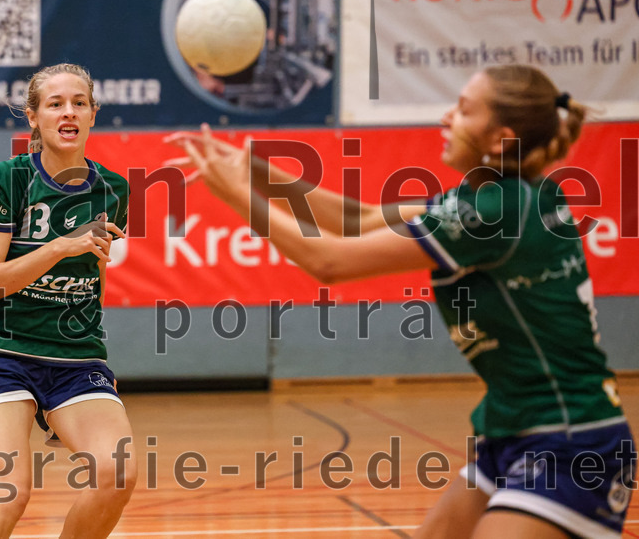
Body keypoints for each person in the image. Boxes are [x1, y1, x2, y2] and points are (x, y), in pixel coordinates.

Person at [168, 65, 635, 539]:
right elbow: (358, 218)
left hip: (572, 441)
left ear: (500, 139)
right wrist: (253, 169)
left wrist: (233, 192)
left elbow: (328, 260)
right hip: (513, 431)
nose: (446, 117)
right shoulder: (499, 197)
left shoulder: (496, 211)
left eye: (464, 109)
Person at [0, 63, 136, 538]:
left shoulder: (114, 190)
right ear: (33, 117)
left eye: (79, 102)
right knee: (9, 495)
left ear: (93, 114)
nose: (68, 111)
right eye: (55, 104)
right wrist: (59, 245)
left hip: (75, 356)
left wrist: (90, 340)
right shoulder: (4, 182)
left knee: (117, 473)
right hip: (4, 351)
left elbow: (95, 274)